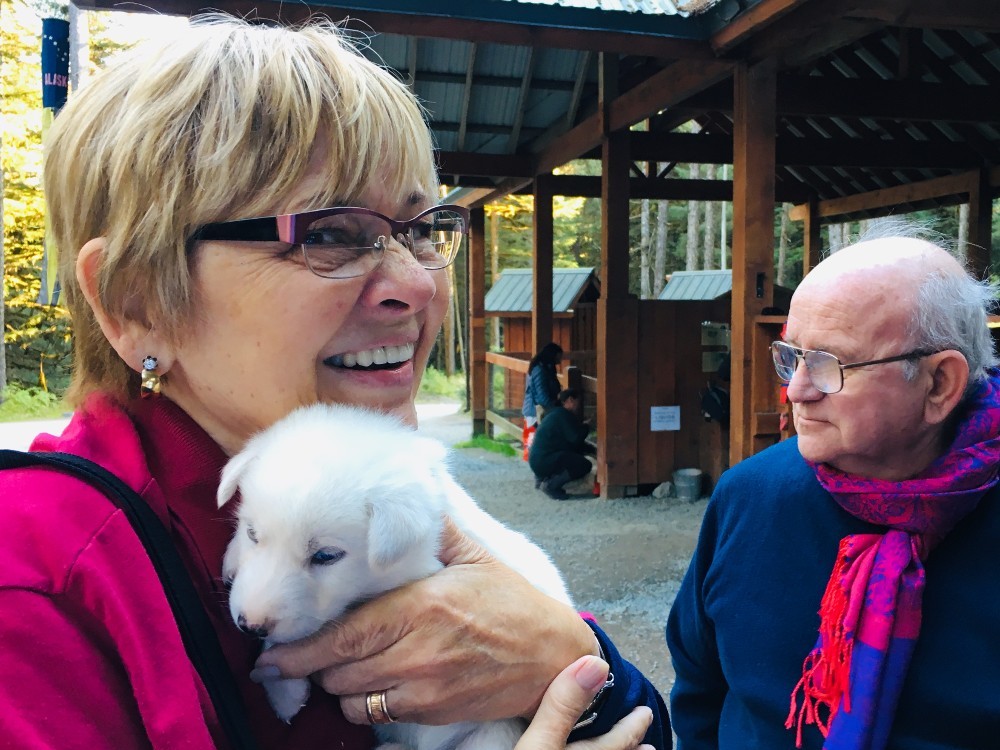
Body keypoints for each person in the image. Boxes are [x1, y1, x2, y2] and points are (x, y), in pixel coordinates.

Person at [0, 15, 670, 750]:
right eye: (327, 233)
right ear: (136, 301)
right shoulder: (35, 577)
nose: (417, 286)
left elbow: (635, 718)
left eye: (421, 229)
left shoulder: (372, 478)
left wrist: (574, 665)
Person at [666, 229, 1000, 749]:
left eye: (827, 364)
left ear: (939, 385)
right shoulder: (750, 496)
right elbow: (699, 691)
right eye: (791, 355)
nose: (795, 389)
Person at [529, 388, 596, 500]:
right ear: (570, 400)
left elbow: (569, 442)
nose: (578, 407)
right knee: (584, 465)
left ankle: (542, 479)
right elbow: (575, 439)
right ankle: (551, 486)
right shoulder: (563, 415)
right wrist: (586, 427)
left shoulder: (554, 413)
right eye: (577, 402)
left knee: (568, 458)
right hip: (545, 460)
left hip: (536, 461)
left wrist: (590, 449)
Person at [523, 342, 564, 427]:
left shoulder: (547, 367)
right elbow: (542, 395)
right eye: (559, 356)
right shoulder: (540, 370)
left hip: (541, 408)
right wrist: (556, 409)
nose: (560, 359)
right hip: (536, 412)